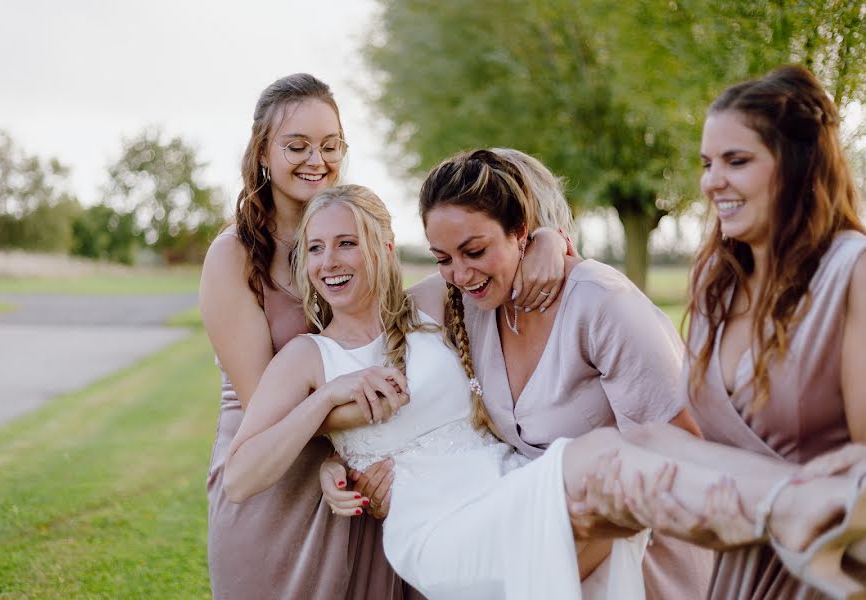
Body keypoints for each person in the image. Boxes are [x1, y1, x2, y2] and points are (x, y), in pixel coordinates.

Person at [227, 183, 866, 600]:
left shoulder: (429, 305)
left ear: (385, 249)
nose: (330, 261)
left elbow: (500, 258)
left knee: (633, 457)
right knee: (605, 462)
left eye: (347, 243)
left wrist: (549, 244)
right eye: (315, 249)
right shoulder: (310, 358)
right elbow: (241, 476)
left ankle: (807, 512)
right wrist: (323, 406)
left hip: (505, 480)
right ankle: (806, 511)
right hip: (442, 526)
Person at [199, 74, 568, 599]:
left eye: (330, 146)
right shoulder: (234, 256)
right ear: (262, 152)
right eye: (297, 146)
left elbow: (470, 270)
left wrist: (550, 239)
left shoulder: (353, 231)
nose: (316, 159)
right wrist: (363, 427)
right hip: (276, 475)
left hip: (366, 478)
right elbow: (272, 409)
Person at [344, 147, 714, 597]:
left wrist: (550, 238)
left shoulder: (601, 305)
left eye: (474, 251)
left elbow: (684, 454)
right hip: (538, 548)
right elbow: (364, 330)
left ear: (521, 232)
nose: (459, 273)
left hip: (637, 556)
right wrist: (338, 461)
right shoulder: (471, 305)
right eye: (443, 259)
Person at [582, 64, 866, 599]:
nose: (712, 181)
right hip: (735, 566)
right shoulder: (718, 281)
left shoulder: (851, 273)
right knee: (632, 439)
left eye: (737, 161)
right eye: (708, 163)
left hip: (825, 569)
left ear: (800, 167)